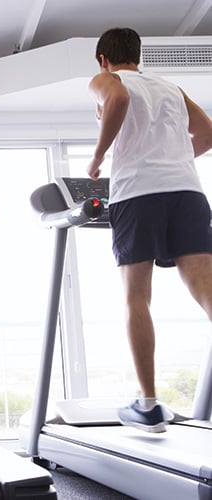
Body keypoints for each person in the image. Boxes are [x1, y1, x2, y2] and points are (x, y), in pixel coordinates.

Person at [87, 27, 212, 433]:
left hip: (137, 194)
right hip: (186, 191)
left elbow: (118, 98)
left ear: (103, 59)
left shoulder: (108, 80)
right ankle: (148, 402)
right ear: (138, 55)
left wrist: (98, 157)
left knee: (136, 298)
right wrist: (173, 159)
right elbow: (208, 132)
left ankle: (148, 404)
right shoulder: (170, 86)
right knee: (206, 290)